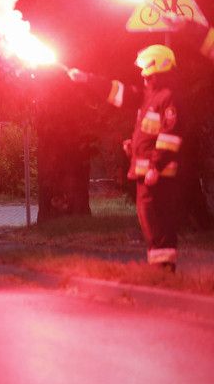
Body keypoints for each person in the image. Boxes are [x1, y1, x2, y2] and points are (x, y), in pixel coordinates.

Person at [67, 45, 184, 273]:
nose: (142, 74)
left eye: (145, 69)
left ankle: (164, 269)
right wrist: (86, 79)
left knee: (157, 219)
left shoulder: (167, 98)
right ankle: (160, 268)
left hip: (158, 174)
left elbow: (170, 136)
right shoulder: (149, 96)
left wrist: (155, 167)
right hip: (148, 172)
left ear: (157, 66)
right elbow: (118, 92)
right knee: (149, 219)